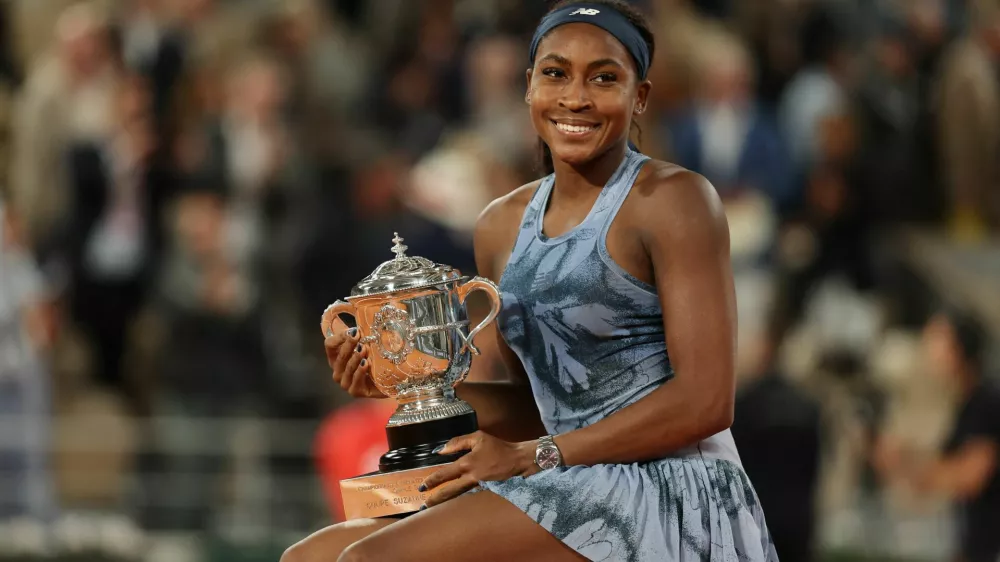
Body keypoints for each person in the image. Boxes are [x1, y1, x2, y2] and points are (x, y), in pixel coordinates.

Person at [284, 2, 778, 560]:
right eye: (555, 73)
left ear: (639, 96)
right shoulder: (499, 224)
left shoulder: (675, 200)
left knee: (369, 561)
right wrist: (407, 387)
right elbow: (537, 405)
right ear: (528, 86)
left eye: (604, 77)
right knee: (309, 557)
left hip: (670, 490)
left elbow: (707, 402)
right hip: (565, 472)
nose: (575, 97)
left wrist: (535, 457)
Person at [874, 309, 1000, 562]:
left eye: (937, 340)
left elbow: (970, 476)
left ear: (959, 350)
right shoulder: (965, 405)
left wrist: (909, 467)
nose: (928, 351)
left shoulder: (987, 403)